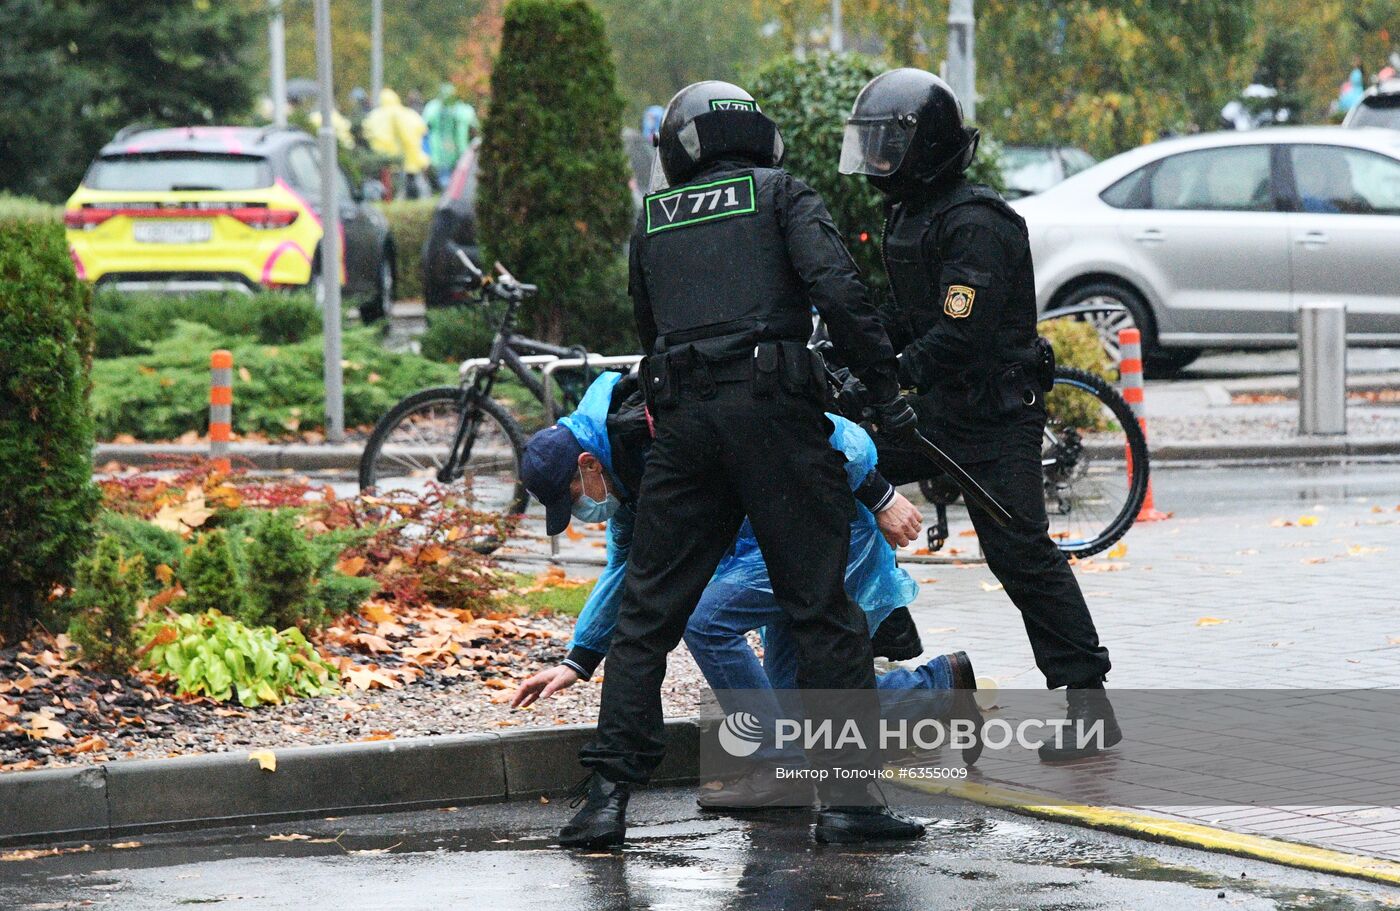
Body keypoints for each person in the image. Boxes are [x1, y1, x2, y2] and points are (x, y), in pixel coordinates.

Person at [558, 81, 924, 849]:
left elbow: (649, 331)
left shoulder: (654, 217)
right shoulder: (781, 192)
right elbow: (839, 291)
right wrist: (888, 394)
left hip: (685, 430)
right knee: (820, 609)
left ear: (680, 145)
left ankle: (604, 799)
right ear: (757, 133)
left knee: (648, 618)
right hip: (777, 420)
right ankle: (852, 801)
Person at [513, 372, 982, 808]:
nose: (580, 513)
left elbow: (805, 427)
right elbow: (625, 568)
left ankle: (778, 768)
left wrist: (879, 494)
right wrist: (579, 659)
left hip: (821, 524)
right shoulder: (624, 477)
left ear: (588, 465)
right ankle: (941, 686)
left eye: (572, 498)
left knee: (706, 621)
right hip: (771, 539)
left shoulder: (656, 424)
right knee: (795, 703)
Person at [837, 69, 1119, 763]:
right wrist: (852, 354)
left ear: (922, 146)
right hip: (938, 412)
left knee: (1019, 550)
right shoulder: (909, 215)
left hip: (995, 418)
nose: (875, 162)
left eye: (885, 147)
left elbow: (959, 333)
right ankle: (889, 632)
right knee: (837, 471)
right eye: (867, 147)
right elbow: (909, 318)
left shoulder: (977, 223)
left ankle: (1088, 700)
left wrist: (892, 373)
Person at [363, 88, 431, 199]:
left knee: (387, 188)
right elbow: (418, 133)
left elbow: (365, 134)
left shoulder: (373, 116)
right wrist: (421, 159)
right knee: (411, 186)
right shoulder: (406, 114)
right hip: (404, 159)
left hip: (379, 159)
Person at [423, 83, 479, 188]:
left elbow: (424, 128)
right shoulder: (464, 110)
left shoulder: (433, 108)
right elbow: (474, 130)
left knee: (449, 172)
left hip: (449, 149)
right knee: (451, 173)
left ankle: (448, 189)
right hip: (445, 149)